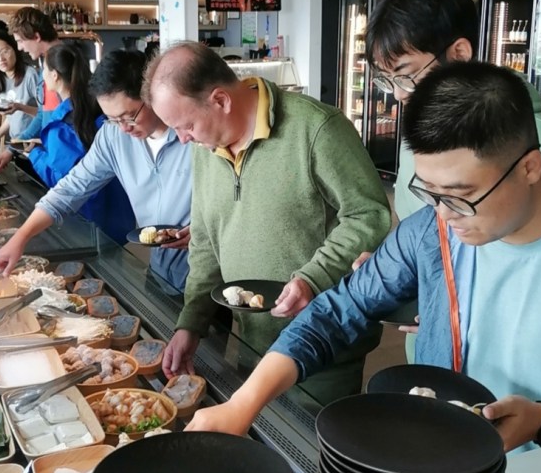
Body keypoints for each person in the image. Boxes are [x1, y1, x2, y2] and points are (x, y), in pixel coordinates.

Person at [187, 62, 541, 473]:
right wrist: (241, 405)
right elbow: (337, 312)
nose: (443, 214)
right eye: (429, 192)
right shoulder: (430, 232)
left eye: (459, 196)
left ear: (529, 167)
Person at [144, 41, 392, 409]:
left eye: (187, 125)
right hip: (252, 340)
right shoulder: (204, 149)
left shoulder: (316, 128)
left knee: (310, 442)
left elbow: (369, 215)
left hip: (323, 345)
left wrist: (313, 278)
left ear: (220, 100)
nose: (183, 139)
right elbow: (206, 243)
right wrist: (190, 323)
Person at [361, 0, 541, 353]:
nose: (398, 94)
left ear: (459, 53)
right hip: (434, 350)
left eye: (406, 75)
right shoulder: (423, 134)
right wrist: (398, 272)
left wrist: (459, 307)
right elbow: (431, 240)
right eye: (386, 79)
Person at [0, 50, 192, 291]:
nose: (124, 128)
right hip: (160, 271)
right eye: (113, 119)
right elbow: (70, 189)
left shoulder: (193, 136)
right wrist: (21, 237)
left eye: (129, 116)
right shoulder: (113, 135)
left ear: (152, 95)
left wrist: (202, 232)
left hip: (205, 274)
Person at [23, 40, 134, 245]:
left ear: (54, 75)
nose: (42, 75)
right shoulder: (100, 111)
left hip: (89, 224)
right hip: (121, 219)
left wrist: (34, 154)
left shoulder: (61, 126)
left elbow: (62, 180)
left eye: (44, 70)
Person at [0, 7, 62, 174]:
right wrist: (11, 149)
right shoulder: (47, 65)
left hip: (63, 160)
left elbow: (67, 120)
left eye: (20, 41)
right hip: (53, 156)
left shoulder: (62, 64)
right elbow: (43, 114)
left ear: (36, 36)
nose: (20, 48)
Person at [0, 28, 40, 150]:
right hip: (17, 143)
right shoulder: (2, 79)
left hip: (35, 143)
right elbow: (12, 117)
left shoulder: (30, 75)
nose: (0, 58)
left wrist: (20, 107)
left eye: (4, 51)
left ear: (15, 48)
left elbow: (47, 113)